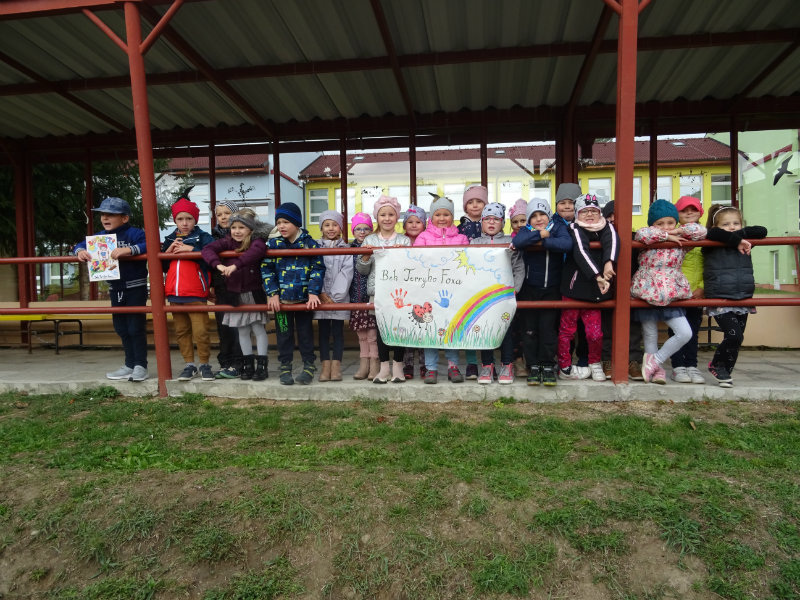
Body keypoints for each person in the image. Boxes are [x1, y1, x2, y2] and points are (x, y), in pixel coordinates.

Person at [631, 199, 706, 384]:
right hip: (647, 291)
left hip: (671, 292)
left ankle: (655, 361)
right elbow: (641, 233)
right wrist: (666, 236)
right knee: (650, 334)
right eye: (660, 223)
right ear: (653, 224)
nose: (666, 227)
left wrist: (677, 232)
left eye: (670, 222)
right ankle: (657, 372)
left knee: (685, 333)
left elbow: (701, 231)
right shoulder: (648, 238)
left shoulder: (682, 241)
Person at [74, 197, 149, 382]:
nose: (105, 218)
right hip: (115, 289)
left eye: (111, 215)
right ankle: (129, 365)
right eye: (103, 215)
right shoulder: (99, 237)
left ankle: (140, 365)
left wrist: (130, 250)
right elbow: (80, 245)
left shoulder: (135, 233)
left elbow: (149, 245)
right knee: (121, 328)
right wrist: (80, 251)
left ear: (125, 218)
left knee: (135, 327)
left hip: (135, 288)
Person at [201, 208, 271, 381]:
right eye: (234, 228)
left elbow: (256, 252)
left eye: (241, 227)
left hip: (252, 293)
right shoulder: (227, 242)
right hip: (234, 294)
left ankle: (262, 365)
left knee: (258, 328)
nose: (237, 231)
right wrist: (218, 265)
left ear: (250, 229)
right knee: (242, 330)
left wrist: (235, 265)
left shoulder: (257, 241)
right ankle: (248, 364)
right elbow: (207, 249)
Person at [703, 204, 767, 387]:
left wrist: (740, 237)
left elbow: (762, 231)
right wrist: (736, 240)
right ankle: (717, 365)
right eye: (726, 224)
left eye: (736, 223)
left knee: (737, 339)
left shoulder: (745, 241)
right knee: (734, 336)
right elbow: (713, 233)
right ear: (716, 226)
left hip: (742, 297)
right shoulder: (711, 242)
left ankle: (725, 372)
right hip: (720, 297)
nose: (732, 227)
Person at [261, 202, 325, 386]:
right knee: (283, 334)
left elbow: (318, 268)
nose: (281, 226)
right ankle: (285, 366)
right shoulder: (272, 245)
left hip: (304, 301)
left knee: (305, 334)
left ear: (297, 223)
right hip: (282, 303)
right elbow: (266, 269)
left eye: (286, 222)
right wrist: (273, 293)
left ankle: (308, 365)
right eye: (278, 222)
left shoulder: (309, 244)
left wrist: (313, 292)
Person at [557, 195, 620, 382]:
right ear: (577, 214)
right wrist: (598, 276)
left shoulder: (607, 226)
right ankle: (565, 366)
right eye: (585, 211)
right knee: (567, 331)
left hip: (595, 293)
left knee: (594, 333)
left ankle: (594, 363)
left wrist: (609, 262)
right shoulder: (574, 228)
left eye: (594, 210)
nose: (590, 214)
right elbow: (581, 251)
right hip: (574, 290)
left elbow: (613, 241)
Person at [511, 199, 572, 386]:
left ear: (549, 215)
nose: (538, 219)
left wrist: (544, 241)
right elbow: (518, 241)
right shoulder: (526, 230)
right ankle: (533, 365)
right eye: (534, 216)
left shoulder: (558, 227)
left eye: (542, 215)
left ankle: (547, 365)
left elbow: (566, 244)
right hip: (530, 289)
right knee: (529, 330)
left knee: (548, 330)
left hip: (552, 289)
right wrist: (539, 234)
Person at [356, 195, 412, 384]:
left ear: (397, 217)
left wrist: (402, 255)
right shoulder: (369, 239)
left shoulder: (405, 241)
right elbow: (362, 270)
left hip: (399, 293)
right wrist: (366, 256)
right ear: (377, 218)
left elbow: (410, 268)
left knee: (399, 328)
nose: (387, 218)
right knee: (381, 329)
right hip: (377, 292)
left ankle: (398, 366)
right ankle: (384, 367)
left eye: (391, 214)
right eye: (383, 215)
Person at [415, 195, 470, 384]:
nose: (442, 218)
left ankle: (453, 366)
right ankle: (431, 368)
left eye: (446, 214)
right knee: (430, 327)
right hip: (429, 289)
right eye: (438, 214)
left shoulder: (462, 238)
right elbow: (416, 260)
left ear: (452, 216)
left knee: (451, 326)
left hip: (452, 290)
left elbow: (466, 261)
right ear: (432, 217)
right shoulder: (423, 237)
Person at [162, 192, 215, 382]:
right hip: (174, 294)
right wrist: (167, 252)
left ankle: (204, 364)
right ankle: (189, 365)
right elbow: (162, 266)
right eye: (180, 219)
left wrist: (192, 250)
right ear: (175, 220)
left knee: (201, 331)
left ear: (195, 220)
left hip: (196, 293)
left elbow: (212, 256)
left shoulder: (204, 237)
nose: (184, 223)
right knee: (181, 331)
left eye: (189, 219)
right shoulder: (169, 239)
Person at [470, 202, 524, 384]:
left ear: (503, 223)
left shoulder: (510, 242)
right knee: (485, 330)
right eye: (487, 219)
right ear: (481, 222)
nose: (491, 222)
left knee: (505, 331)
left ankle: (507, 364)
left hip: (504, 296)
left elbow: (518, 268)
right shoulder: (474, 243)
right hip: (483, 296)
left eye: (496, 219)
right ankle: (487, 365)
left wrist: (514, 290)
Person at [599, 200, 644, 380]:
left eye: (617, 216)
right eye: (609, 216)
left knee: (633, 326)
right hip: (606, 288)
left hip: (630, 288)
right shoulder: (601, 238)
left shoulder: (635, 238)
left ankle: (633, 361)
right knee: (606, 326)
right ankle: (608, 360)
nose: (613, 220)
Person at [669, 196, 707, 384]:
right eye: (684, 210)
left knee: (692, 330)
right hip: (676, 292)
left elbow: (710, 266)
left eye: (693, 209)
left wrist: (702, 288)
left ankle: (692, 365)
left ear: (701, 212)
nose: (689, 213)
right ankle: (677, 366)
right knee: (676, 331)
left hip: (696, 293)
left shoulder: (706, 236)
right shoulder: (672, 236)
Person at [314, 210, 354, 382]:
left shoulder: (346, 249)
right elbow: (314, 269)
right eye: (327, 225)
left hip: (339, 298)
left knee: (338, 332)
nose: (331, 228)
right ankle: (325, 365)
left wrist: (335, 297)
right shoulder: (315, 247)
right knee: (323, 332)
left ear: (341, 228)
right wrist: (321, 292)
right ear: (321, 228)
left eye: (335, 225)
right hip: (320, 296)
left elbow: (347, 273)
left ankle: (336, 365)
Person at [209, 199, 244, 379]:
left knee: (238, 327)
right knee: (223, 326)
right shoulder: (212, 237)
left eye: (227, 213)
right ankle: (226, 362)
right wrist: (211, 285)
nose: (223, 217)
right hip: (221, 286)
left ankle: (238, 363)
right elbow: (206, 256)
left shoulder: (242, 235)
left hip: (239, 286)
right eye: (219, 214)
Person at [458, 184, 489, 379]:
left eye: (479, 201)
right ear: (465, 206)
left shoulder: (492, 224)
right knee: (469, 319)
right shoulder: (460, 229)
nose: (475, 205)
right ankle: (471, 363)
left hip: (487, 277)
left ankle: (488, 362)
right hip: (467, 278)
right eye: (471, 202)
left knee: (487, 319)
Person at [348, 212, 379, 380]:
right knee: (361, 335)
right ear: (353, 231)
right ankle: (363, 364)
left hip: (371, 297)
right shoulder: (349, 249)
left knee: (372, 335)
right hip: (356, 297)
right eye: (358, 229)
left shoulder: (374, 247)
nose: (362, 232)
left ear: (371, 230)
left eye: (366, 228)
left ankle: (375, 363)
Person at [402, 205, 428, 379]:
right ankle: (408, 364)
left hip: (425, 287)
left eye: (418, 222)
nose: (413, 225)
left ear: (424, 224)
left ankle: (425, 364)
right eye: (410, 222)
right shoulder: (400, 241)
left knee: (424, 325)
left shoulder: (429, 240)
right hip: (406, 288)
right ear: (404, 224)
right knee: (407, 325)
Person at [507, 197, 529, 376]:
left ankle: (532, 359)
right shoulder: (509, 243)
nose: (519, 225)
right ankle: (518, 359)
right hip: (514, 287)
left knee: (529, 326)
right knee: (515, 326)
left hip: (532, 285)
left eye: (523, 220)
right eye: (515, 222)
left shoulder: (534, 236)